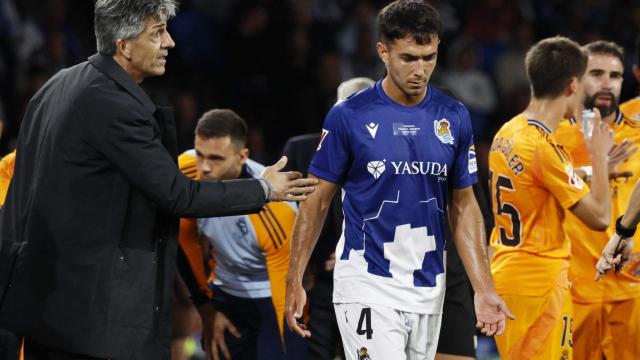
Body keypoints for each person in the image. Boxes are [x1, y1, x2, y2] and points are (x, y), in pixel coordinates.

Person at [0, 1, 316, 358]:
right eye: (157, 33)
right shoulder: (111, 104)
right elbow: (177, 194)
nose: (170, 42)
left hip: (45, 307)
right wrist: (264, 187)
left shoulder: (58, 85)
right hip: (92, 321)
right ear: (124, 45)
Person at [285, 1, 512, 359]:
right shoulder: (349, 116)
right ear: (383, 51)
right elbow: (317, 200)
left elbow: (464, 205)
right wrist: (294, 277)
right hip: (367, 282)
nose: (421, 70)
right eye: (409, 58)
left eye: (429, 57)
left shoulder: (454, 116)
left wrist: (483, 288)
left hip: (428, 286)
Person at [489, 36, 614, 360]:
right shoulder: (544, 148)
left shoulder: (508, 132)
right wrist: (599, 157)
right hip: (539, 285)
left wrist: (589, 173)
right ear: (573, 85)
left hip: (509, 273)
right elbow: (600, 217)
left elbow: (539, 182)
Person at [178, 109, 307, 360]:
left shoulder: (277, 209)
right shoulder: (185, 169)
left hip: (271, 298)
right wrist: (206, 310)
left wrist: (287, 341)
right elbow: (185, 240)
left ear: (242, 157)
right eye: (200, 154)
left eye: (215, 158)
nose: (204, 167)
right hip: (223, 293)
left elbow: (286, 288)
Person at [554, 40, 640, 360]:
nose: (607, 83)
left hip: (632, 292)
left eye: (615, 76)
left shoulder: (638, 133)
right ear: (575, 79)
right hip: (574, 292)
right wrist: (597, 169)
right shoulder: (553, 136)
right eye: (597, 73)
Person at [282, 77, 375, 360]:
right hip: (315, 282)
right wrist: (298, 270)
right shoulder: (301, 151)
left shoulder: (394, 157)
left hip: (370, 282)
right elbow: (281, 214)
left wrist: (355, 253)